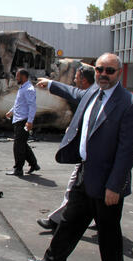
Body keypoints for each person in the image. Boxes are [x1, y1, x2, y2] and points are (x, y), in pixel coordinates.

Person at [27, 53, 133, 261]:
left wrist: (115, 186)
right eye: (100, 69)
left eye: (109, 70)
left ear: (119, 73)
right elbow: (75, 93)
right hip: (86, 171)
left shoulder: (129, 104)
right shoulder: (92, 93)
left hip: (108, 179)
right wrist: (51, 84)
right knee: (70, 221)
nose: (103, 74)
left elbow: (127, 151)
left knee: (109, 232)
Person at [36, 65, 95, 232]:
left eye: (76, 77)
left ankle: (56, 220)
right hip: (89, 157)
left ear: (83, 79)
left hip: (92, 159)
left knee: (74, 190)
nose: (74, 80)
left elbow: (73, 93)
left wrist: (50, 84)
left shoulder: (93, 95)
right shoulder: (93, 94)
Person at [5, 69, 40, 176]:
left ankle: (18, 169)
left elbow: (32, 106)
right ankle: (34, 164)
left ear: (24, 77)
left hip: (23, 121)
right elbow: (18, 103)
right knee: (22, 144)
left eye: (18, 76)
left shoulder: (29, 89)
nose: (16, 78)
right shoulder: (22, 88)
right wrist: (11, 112)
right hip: (19, 120)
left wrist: (29, 122)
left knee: (18, 146)